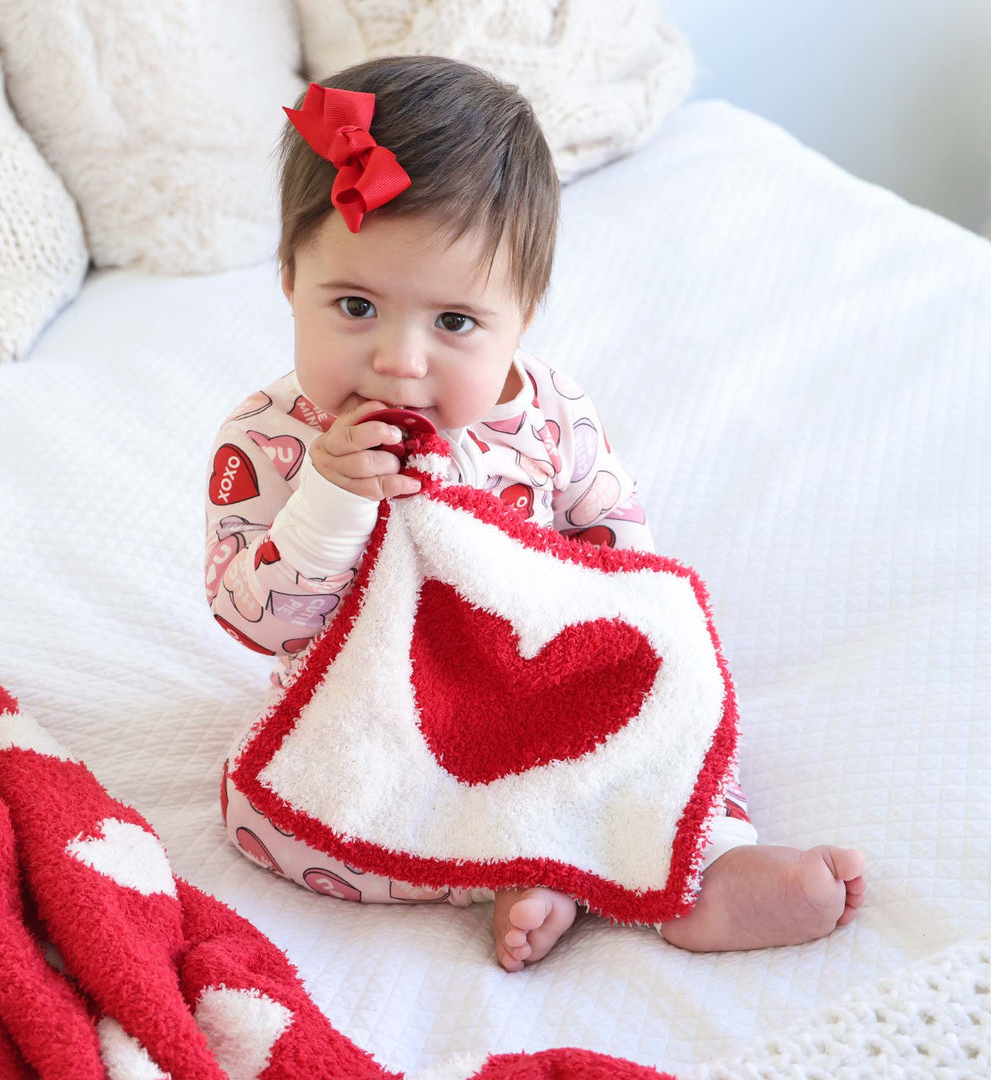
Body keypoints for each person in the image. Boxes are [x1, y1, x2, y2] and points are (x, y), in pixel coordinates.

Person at [206, 55, 866, 972]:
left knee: (678, 701)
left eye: (455, 323)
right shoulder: (272, 439)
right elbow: (256, 622)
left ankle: (707, 856)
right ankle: (545, 861)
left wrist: (634, 659)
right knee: (264, 814)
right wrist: (329, 501)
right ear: (288, 279)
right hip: (378, 716)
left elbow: (619, 561)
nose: (400, 362)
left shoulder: (552, 412)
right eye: (355, 306)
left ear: (522, 314)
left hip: (537, 687)